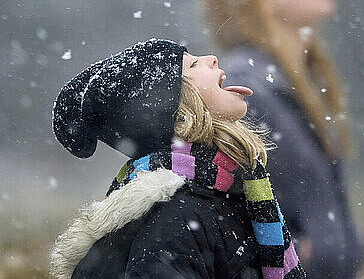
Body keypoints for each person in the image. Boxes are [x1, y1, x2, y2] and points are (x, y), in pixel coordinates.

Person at [50, 38, 307, 279]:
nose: (212, 58)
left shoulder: (229, 190)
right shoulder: (173, 220)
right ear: (174, 111)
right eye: (193, 64)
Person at [199, 0, 364, 279]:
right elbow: (217, 203)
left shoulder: (298, 83)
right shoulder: (246, 88)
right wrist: (292, 255)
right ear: (259, 4)